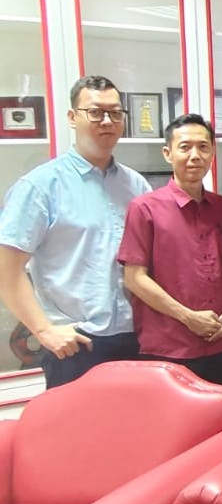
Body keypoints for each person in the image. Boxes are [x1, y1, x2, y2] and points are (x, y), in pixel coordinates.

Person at [0, 76, 149, 388]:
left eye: (115, 113)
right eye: (95, 112)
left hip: (136, 337)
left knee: (138, 420)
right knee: (79, 422)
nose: (107, 121)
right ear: (72, 117)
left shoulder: (136, 185)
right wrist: (44, 330)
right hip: (75, 343)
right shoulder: (41, 186)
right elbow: (6, 270)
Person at [119, 113, 222, 389]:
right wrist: (188, 317)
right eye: (185, 147)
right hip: (171, 347)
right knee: (176, 418)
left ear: (212, 152)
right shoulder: (144, 208)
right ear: (168, 153)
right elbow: (134, 278)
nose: (195, 156)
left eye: (203, 147)